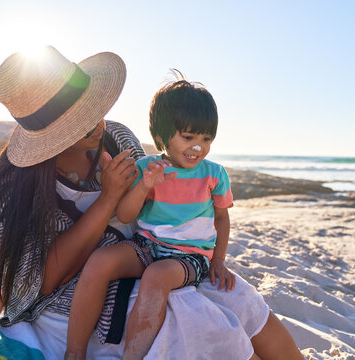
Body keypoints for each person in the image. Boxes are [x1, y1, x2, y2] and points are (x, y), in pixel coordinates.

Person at [0, 46, 304, 359]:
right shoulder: (14, 188)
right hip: (74, 298)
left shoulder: (116, 138)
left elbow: (156, 208)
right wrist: (108, 200)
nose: (96, 123)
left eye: (92, 109)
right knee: (199, 321)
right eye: (77, 122)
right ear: (46, 133)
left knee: (239, 296)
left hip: (145, 255)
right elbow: (43, 281)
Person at [66, 73, 237, 359]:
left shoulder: (214, 174)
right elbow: (125, 213)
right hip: (147, 246)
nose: (198, 147)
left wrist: (218, 260)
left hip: (190, 256)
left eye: (206, 139)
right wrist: (145, 185)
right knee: (99, 262)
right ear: (160, 137)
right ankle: (74, 352)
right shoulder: (147, 168)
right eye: (188, 137)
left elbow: (221, 219)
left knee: (157, 276)